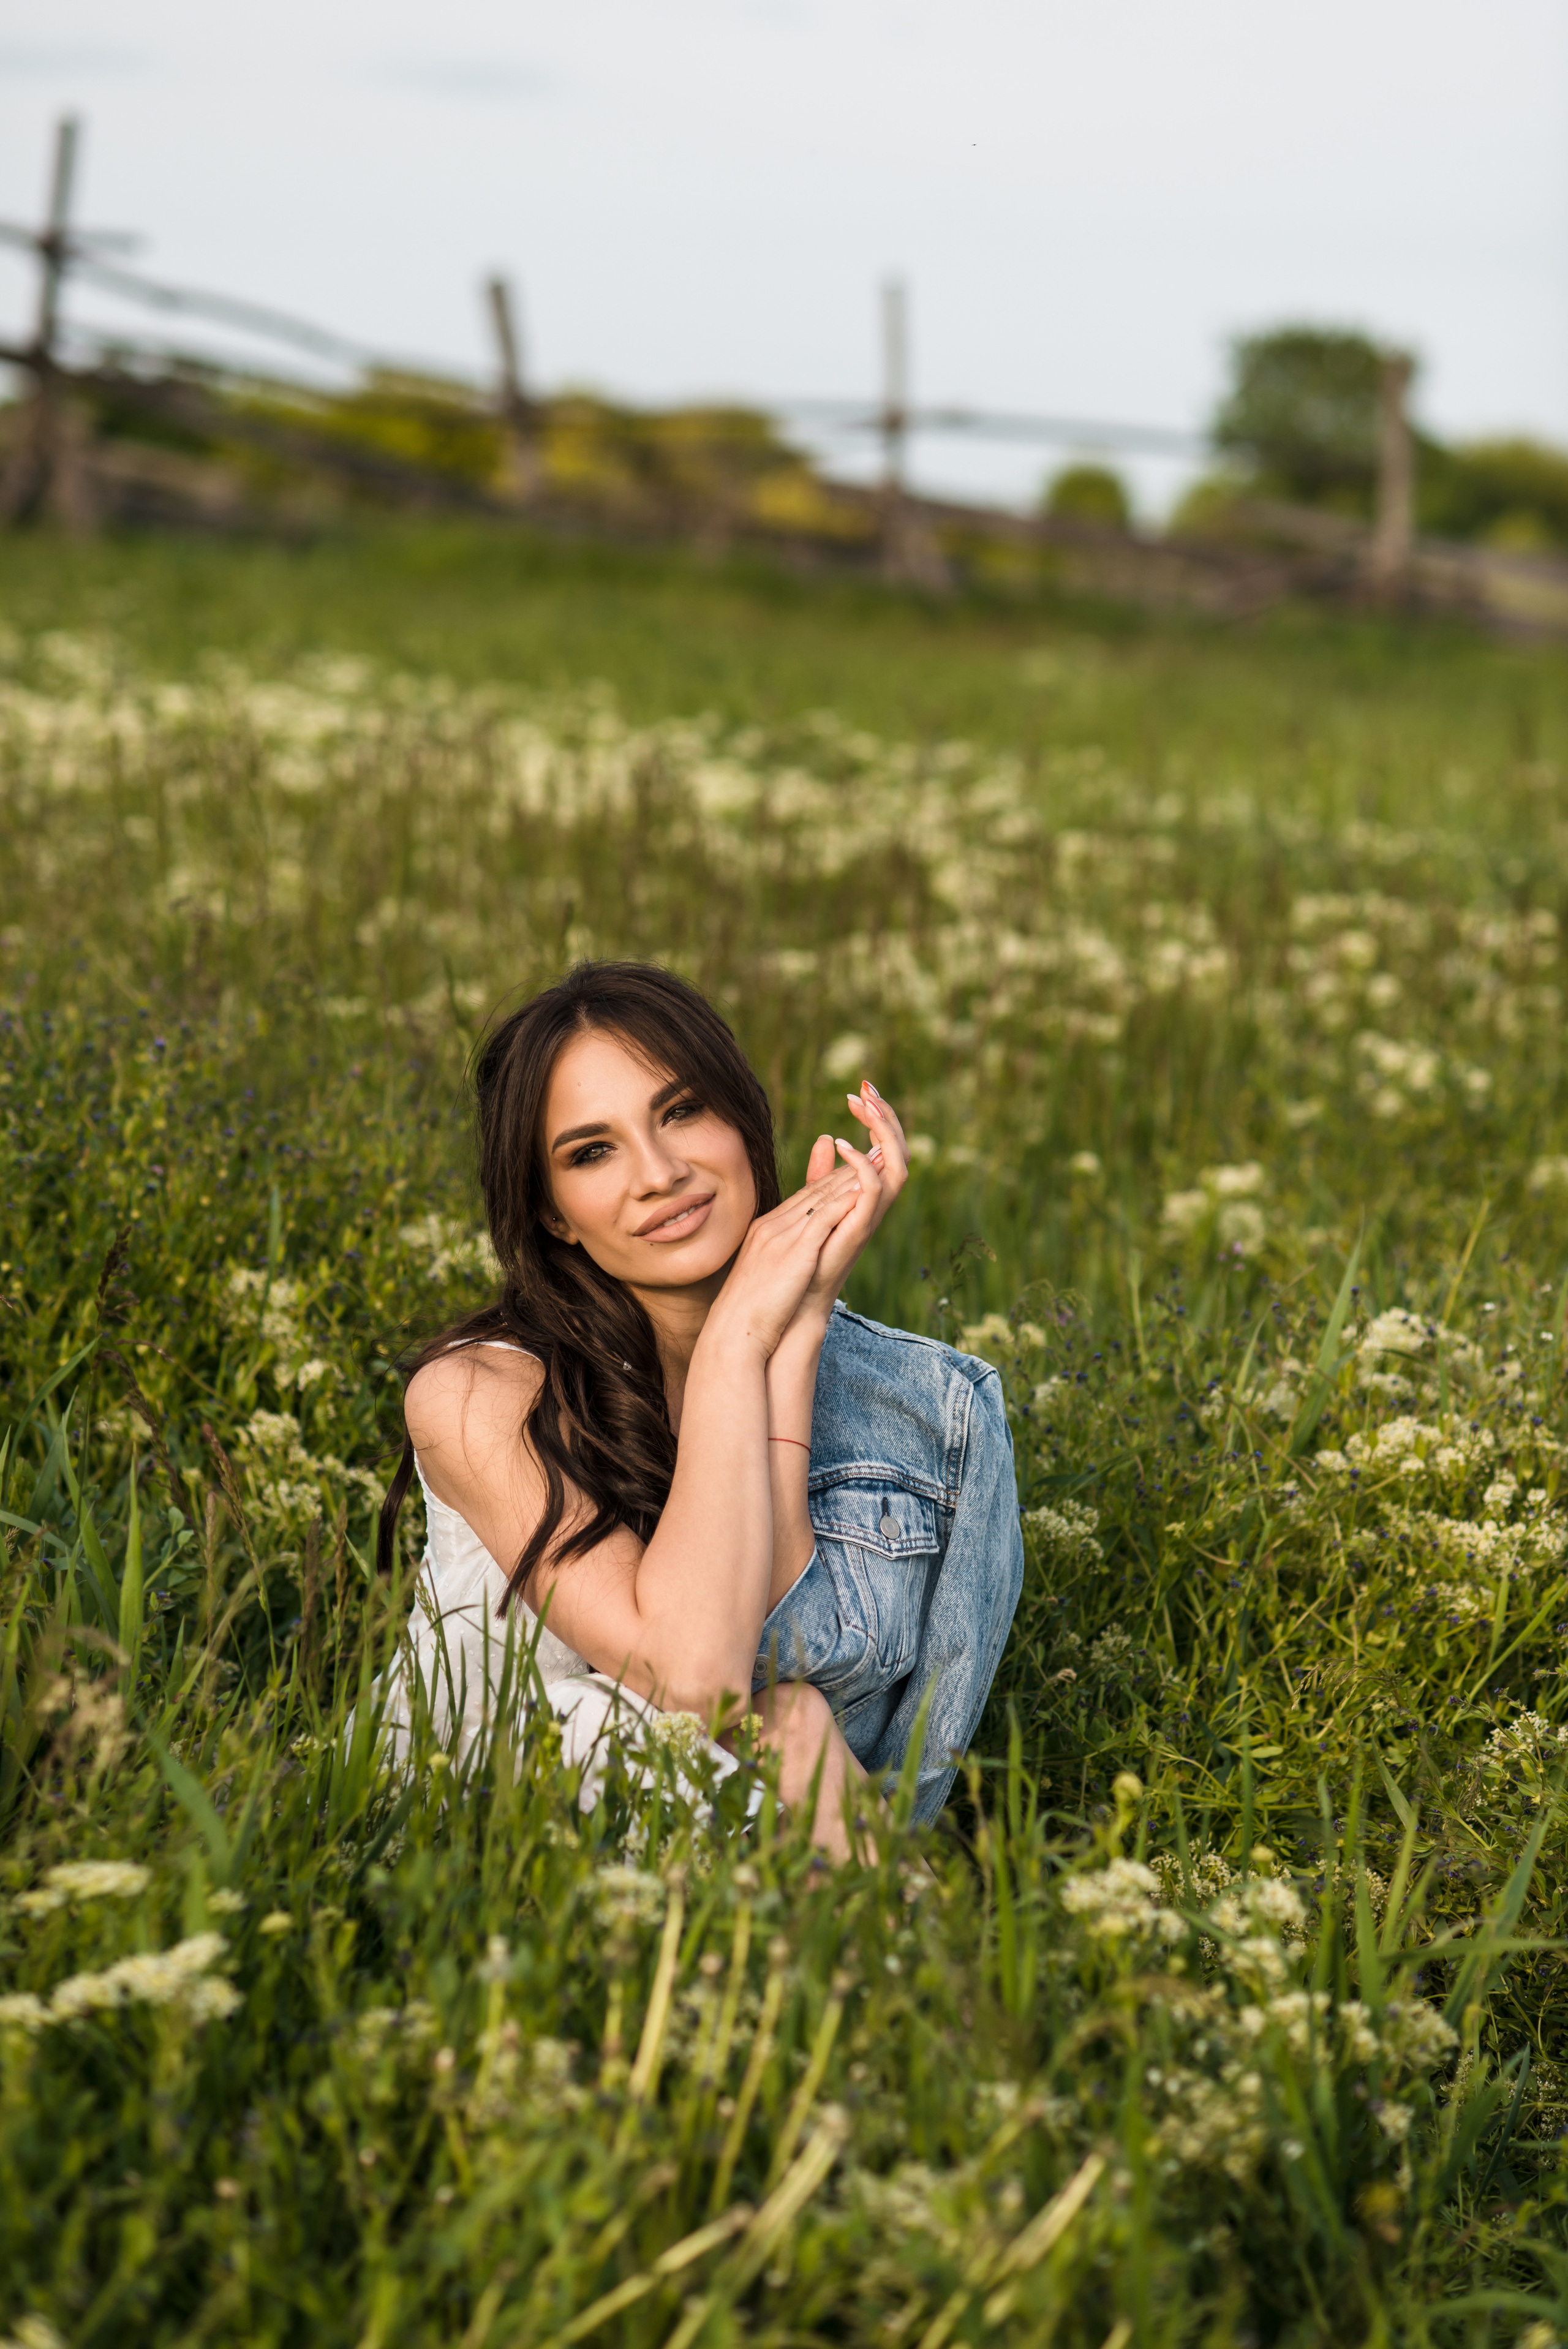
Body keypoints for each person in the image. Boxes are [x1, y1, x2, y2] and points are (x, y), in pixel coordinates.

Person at [375, 962, 1023, 1857]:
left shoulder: (938, 1407)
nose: (661, 1173)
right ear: (555, 1214)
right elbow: (696, 1684)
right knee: (756, 1721)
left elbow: (819, 1686)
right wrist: (737, 1341)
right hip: (487, 1846)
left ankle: (878, 1963)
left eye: (682, 1111)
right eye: (591, 1152)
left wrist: (787, 1345)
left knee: (794, 1719)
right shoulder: (475, 1397)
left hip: (740, 1860)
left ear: (740, 1117)